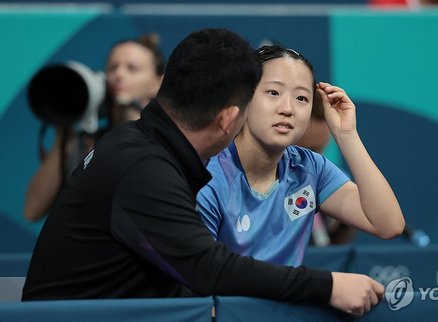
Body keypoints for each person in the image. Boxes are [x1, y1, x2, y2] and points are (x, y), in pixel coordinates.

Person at [22, 28, 384, 317]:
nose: (285, 109)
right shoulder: (146, 169)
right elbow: (210, 268)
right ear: (229, 119)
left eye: (301, 98)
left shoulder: (136, 143)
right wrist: (329, 286)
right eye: (266, 95)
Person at [196, 45, 405, 267]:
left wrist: (347, 135)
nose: (288, 108)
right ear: (244, 98)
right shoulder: (207, 176)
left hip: (289, 298)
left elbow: (388, 225)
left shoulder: (310, 168)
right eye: (274, 93)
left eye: (302, 98)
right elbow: (202, 274)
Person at [23, 33, 164, 222]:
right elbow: (32, 211)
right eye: (113, 67)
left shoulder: (166, 142)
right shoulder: (88, 141)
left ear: (157, 83)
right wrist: (63, 138)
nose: (119, 75)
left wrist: (130, 117)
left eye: (132, 69)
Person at [294, 95, 358, 246]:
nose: (316, 159)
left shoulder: (330, 179)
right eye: (309, 150)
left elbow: (327, 252)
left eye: (321, 148)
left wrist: (346, 223)